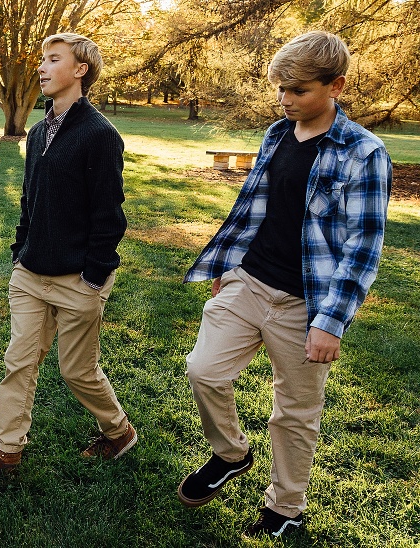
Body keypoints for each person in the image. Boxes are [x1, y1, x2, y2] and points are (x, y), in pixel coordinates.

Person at [176, 31, 391, 538]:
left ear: (335, 85)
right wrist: (228, 265)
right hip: (250, 281)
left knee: (294, 413)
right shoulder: (277, 133)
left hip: (306, 303)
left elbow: (363, 247)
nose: (286, 101)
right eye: (281, 90)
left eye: (299, 91)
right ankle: (231, 453)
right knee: (203, 370)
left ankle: (285, 509)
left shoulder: (364, 152)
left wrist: (330, 323)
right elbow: (254, 206)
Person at [0, 33, 136, 479]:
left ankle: (119, 431)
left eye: (53, 59)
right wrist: (21, 251)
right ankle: (6, 454)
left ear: (80, 70)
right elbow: (28, 200)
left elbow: (109, 215)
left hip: (79, 278)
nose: (41, 67)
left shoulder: (100, 135)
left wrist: (94, 276)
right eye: (41, 59)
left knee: (77, 371)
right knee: (19, 362)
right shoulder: (37, 133)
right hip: (31, 272)